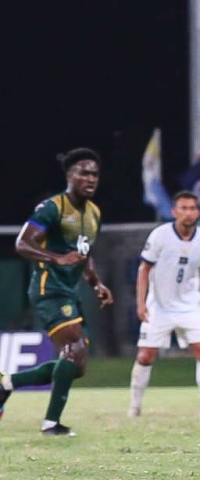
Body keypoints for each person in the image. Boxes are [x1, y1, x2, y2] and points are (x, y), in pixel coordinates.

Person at [0, 148, 114, 435]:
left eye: (94, 174)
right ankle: (51, 423)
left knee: (76, 366)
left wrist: (96, 283)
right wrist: (57, 258)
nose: (90, 178)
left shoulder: (94, 213)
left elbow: (86, 254)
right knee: (72, 351)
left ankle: (6, 384)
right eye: (84, 173)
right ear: (69, 176)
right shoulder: (54, 207)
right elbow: (23, 243)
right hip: (48, 289)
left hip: (70, 291)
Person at [128, 191, 200, 418]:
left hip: (189, 306)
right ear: (174, 211)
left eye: (192, 208)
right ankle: (135, 407)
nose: (188, 213)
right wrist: (141, 303)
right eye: (183, 208)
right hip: (159, 306)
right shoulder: (160, 235)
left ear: (198, 212)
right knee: (146, 355)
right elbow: (144, 269)